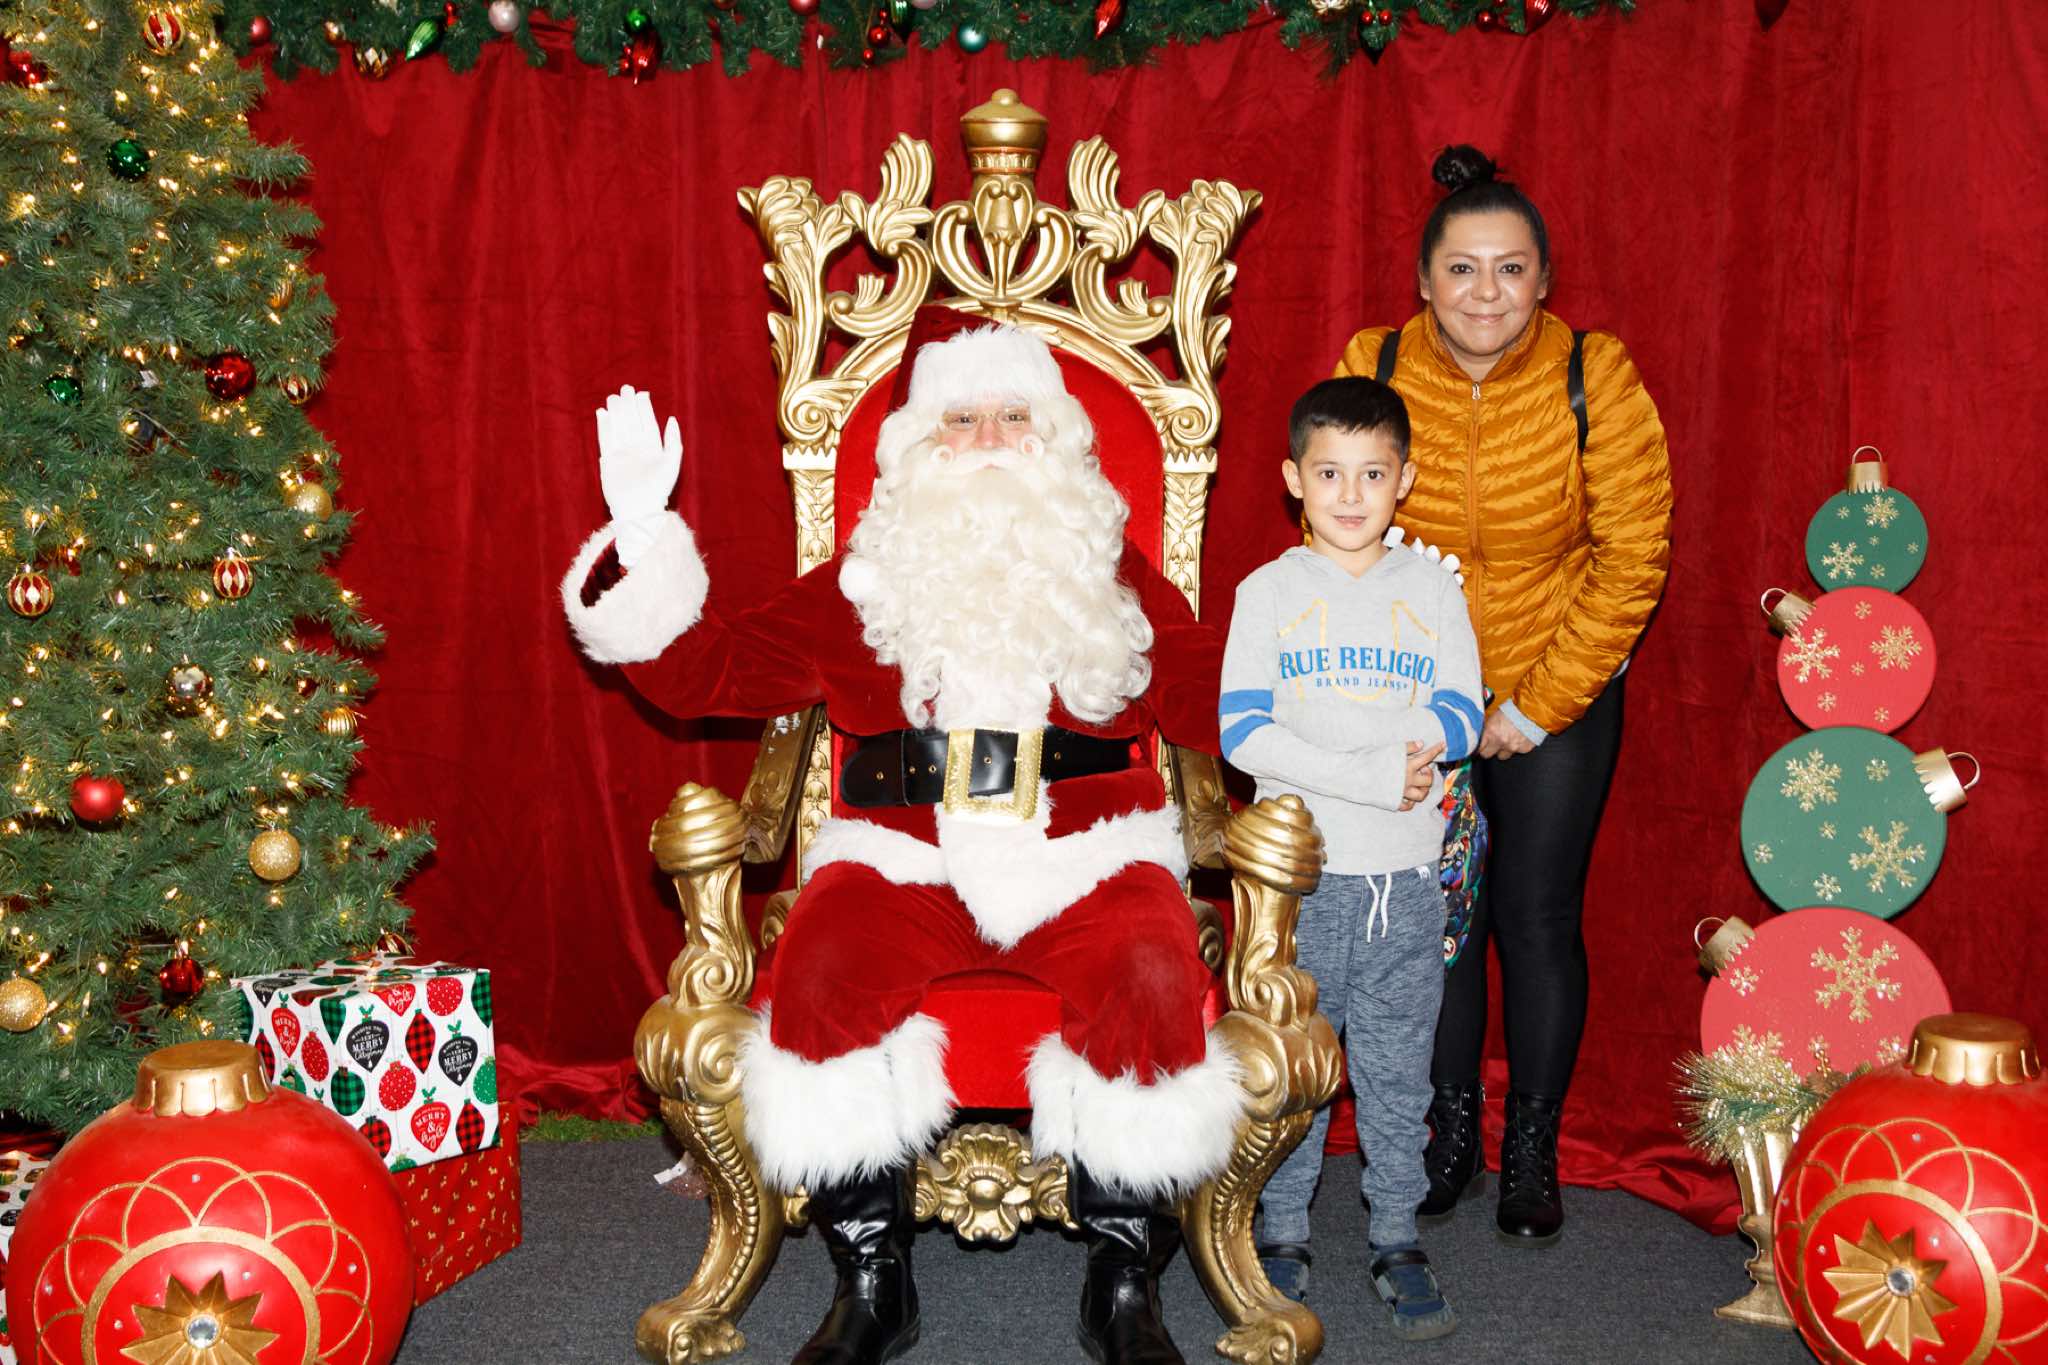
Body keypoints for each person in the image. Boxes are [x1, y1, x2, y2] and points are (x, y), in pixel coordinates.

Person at [561, 309, 1244, 1365]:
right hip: (900, 859)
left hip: (1088, 857)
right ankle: (872, 1280)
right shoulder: (861, 581)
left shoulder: (1107, 572)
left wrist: (1332, 682)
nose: (988, 440)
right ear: (919, 444)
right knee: (822, 967)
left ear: (1054, 435)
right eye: (959, 420)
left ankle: (1123, 1281)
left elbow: (1211, 694)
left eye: (1011, 415)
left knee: (1151, 968)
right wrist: (646, 539)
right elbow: (710, 671)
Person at [1332, 145, 1673, 1246]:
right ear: (1424, 281)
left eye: (1511, 269)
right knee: (1438, 922)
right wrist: (1400, 692)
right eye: (1463, 269)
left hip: (1552, 686)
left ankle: (1531, 1144)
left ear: (1544, 280)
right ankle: (1450, 1138)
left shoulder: (1594, 374)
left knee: (1533, 915)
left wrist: (1532, 706)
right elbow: (1339, 526)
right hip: (1411, 696)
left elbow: (1633, 557)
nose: (1487, 293)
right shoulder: (1377, 360)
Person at [1218, 377, 1482, 1340]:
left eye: (1373, 473)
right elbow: (1244, 732)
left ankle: (1397, 1234)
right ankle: (1282, 1230)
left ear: (1403, 479)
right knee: (1296, 1066)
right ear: (1294, 478)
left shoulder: (1433, 588)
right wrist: (1369, 770)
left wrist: (1391, 754)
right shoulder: (1267, 592)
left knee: (1397, 1069)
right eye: (1329, 472)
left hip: (1405, 885)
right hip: (1304, 888)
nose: (1351, 493)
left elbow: (1461, 713)